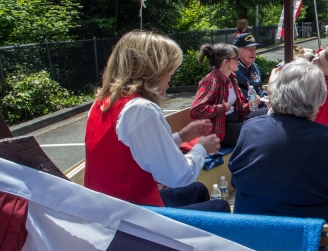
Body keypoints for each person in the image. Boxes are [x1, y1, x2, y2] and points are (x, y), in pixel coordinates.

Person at [85, 31, 230, 212]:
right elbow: (179, 176)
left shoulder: (101, 104)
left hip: (106, 207)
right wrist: (202, 147)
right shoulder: (140, 109)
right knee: (221, 207)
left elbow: (140, 150)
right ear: (154, 71)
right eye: (169, 70)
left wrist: (182, 136)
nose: (171, 77)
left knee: (198, 190)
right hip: (133, 217)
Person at [228, 59, 328, 225]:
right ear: (320, 99)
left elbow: (236, 181)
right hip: (308, 243)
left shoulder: (250, 129)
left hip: (252, 236)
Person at [190, 43, 251, 148]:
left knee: (264, 119)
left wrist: (250, 105)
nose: (238, 60)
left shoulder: (232, 78)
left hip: (234, 120)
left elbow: (240, 111)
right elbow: (196, 110)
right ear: (225, 61)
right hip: (221, 130)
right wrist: (222, 107)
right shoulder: (211, 81)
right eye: (235, 58)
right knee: (257, 130)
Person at [233, 32, 268, 103]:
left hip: (257, 106)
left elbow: (259, 89)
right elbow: (242, 97)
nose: (253, 52)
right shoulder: (233, 69)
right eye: (249, 49)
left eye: (254, 49)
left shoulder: (255, 67)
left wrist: (266, 96)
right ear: (237, 51)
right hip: (243, 110)